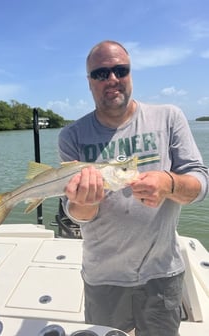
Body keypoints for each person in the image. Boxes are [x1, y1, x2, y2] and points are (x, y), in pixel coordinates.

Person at [58, 40, 208, 336]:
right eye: (101, 73)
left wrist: (170, 183)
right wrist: (85, 204)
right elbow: (73, 212)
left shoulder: (169, 118)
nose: (111, 79)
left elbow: (200, 183)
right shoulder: (71, 136)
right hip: (103, 277)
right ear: (89, 82)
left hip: (162, 272)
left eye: (120, 70)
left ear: (130, 74)